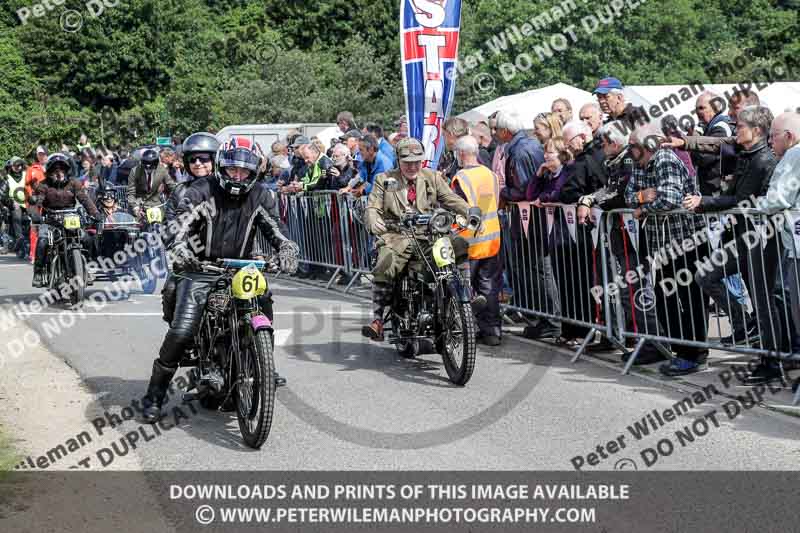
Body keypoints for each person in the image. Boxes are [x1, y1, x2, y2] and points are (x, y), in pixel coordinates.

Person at [140, 136, 300, 423]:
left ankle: (263, 363)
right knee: (182, 331)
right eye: (232, 170)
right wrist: (178, 247)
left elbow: (276, 228)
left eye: (245, 171)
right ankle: (154, 396)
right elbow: (178, 225)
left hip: (243, 267)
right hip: (201, 268)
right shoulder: (201, 190)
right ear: (222, 168)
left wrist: (287, 248)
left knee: (263, 299)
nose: (238, 176)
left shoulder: (262, 195)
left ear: (254, 172)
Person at [686, 106, 780, 382]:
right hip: (739, 235)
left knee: (764, 301)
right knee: (706, 275)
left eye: (739, 126)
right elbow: (731, 189)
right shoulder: (745, 154)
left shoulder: (763, 160)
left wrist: (705, 202)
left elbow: (741, 201)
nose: (735, 130)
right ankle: (745, 323)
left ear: (757, 131)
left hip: (757, 238)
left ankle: (771, 361)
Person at [361, 137, 481, 341]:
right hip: (396, 236)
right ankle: (378, 319)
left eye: (417, 161)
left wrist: (471, 212)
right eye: (407, 162)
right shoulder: (385, 179)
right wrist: (373, 220)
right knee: (385, 262)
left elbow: (452, 199)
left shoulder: (432, 177)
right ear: (398, 160)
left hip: (428, 236)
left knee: (458, 244)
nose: (412, 166)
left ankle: (465, 295)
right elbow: (373, 206)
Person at [625, 122, 709, 376]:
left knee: (688, 299)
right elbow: (628, 195)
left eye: (632, 147)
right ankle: (680, 351)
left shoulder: (665, 160)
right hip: (660, 244)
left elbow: (670, 199)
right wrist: (642, 198)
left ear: (646, 145)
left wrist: (643, 209)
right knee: (665, 298)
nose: (629, 152)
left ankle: (692, 354)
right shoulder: (641, 166)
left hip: (685, 241)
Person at [756, 111, 800, 390]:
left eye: (773, 135)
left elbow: (778, 197)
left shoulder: (794, 155)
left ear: (789, 136)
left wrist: (756, 206)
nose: (769, 140)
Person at [451, 135, 503, 346]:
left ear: (461, 154)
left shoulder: (460, 178)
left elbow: (459, 210)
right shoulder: (489, 174)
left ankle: (465, 329)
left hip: (469, 242)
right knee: (489, 288)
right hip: (492, 239)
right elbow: (491, 203)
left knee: (464, 288)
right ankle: (492, 331)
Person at [27, 153, 100, 287]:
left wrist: (95, 213)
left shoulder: (74, 183)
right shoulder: (43, 185)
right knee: (42, 241)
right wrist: (35, 214)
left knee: (87, 239)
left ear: (67, 170)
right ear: (49, 171)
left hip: (71, 218)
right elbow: (36, 202)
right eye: (55, 169)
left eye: (61, 168)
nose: (58, 172)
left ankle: (87, 268)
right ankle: (38, 272)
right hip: (51, 220)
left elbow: (85, 199)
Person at [126, 148, 176, 219]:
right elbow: (131, 192)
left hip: (156, 205)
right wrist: (135, 207)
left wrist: (180, 195)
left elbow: (172, 185)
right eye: (146, 168)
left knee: (159, 227)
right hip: (138, 204)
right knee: (137, 227)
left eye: (151, 168)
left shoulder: (162, 170)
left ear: (156, 165)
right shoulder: (134, 171)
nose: (148, 170)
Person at [25, 145, 48, 263]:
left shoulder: (52, 167)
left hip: (50, 201)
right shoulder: (31, 169)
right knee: (35, 227)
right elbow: (27, 186)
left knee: (49, 226)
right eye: (39, 154)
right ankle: (33, 254)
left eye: (43, 154)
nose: (41, 156)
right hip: (35, 202)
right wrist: (29, 202)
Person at [3, 157, 26, 246]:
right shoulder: (7, 178)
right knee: (16, 214)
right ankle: (19, 238)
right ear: (11, 166)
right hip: (14, 204)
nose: (18, 167)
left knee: (36, 215)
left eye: (20, 165)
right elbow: (3, 195)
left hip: (28, 203)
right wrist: (11, 202)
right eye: (15, 165)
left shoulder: (26, 175)